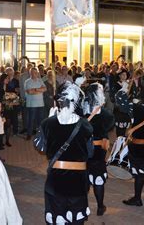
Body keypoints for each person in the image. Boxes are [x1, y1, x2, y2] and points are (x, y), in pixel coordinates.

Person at [39, 82, 93, 224]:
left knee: (57, 218)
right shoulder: (85, 125)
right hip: (78, 181)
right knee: (76, 219)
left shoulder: (47, 123)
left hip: (56, 180)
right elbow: (90, 153)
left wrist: (49, 120)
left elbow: (41, 147)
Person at [82, 83, 114, 216]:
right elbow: (110, 127)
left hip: (83, 149)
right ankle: (100, 207)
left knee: (83, 178)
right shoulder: (106, 114)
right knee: (98, 179)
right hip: (99, 150)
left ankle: (82, 207)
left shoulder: (81, 112)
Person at [24, 67, 46, 140]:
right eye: (33, 72)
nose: (35, 74)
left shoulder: (40, 80)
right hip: (32, 104)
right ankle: (29, 134)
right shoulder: (27, 81)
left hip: (41, 104)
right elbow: (29, 92)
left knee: (40, 120)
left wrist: (35, 89)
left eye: (36, 72)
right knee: (31, 120)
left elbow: (45, 89)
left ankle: (40, 134)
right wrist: (40, 90)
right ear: (30, 73)